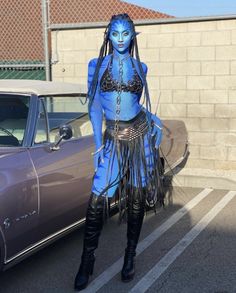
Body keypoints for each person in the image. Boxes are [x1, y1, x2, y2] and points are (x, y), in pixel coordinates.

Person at [74, 13, 164, 291]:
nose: (121, 39)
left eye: (126, 34)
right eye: (116, 34)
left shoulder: (142, 67)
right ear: (108, 35)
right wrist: (98, 144)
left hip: (139, 136)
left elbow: (134, 105)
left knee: (137, 198)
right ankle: (86, 262)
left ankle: (129, 258)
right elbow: (94, 106)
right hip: (112, 138)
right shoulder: (96, 65)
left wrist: (153, 119)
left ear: (133, 36)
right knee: (97, 198)